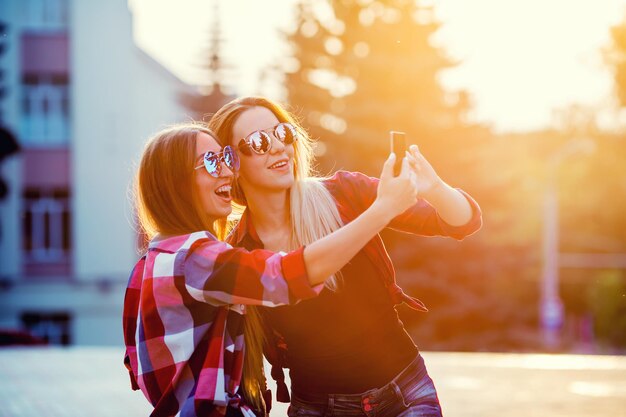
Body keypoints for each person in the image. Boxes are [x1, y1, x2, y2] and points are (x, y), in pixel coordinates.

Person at [122, 123, 420, 417]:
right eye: (210, 163)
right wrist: (383, 209)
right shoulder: (194, 258)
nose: (228, 171)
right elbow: (288, 276)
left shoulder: (153, 260)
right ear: (175, 183)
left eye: (226, 157)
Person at [209, 97, 483, 417]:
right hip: (317, 408)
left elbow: (463, 222)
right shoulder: (238, 254)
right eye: (258, 141)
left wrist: (434, 187)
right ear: (232, 162)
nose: (277, 147)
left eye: (282, 133)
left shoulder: (343, 193)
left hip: (405, 392)